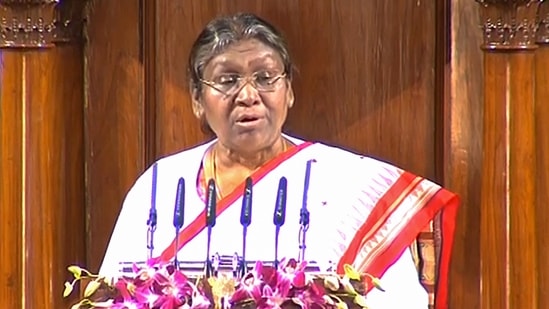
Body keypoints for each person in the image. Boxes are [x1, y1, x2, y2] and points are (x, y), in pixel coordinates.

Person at [100, 12, 459, 309]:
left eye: (265, 77)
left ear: (289, 92)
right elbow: (113, 297)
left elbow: (398, 301)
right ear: (197, 99)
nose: (248, 95)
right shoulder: (160, 184)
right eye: (227, 80)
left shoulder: (347, 184)